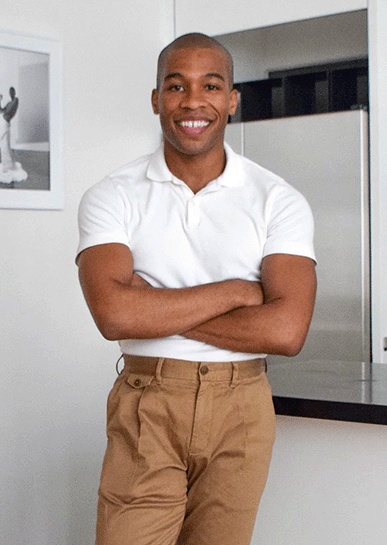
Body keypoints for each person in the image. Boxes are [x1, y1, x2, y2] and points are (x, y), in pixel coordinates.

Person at [77, 33, 317, 545]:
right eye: (176, 85)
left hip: (242, 408)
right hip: (148, 402)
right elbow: (115, 317)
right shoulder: (111, 196)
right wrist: (237, 290)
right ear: (156, 99)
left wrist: (155, 302)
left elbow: (287, 329)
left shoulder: (278, 200)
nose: (193, 102)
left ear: (231, 100)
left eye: (211, 85)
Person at [0, 87, 27, 183]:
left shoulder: (15, 100)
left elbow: (7, 112)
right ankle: (6, 163)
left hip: (5, 123)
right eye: (10, 91)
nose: (11, 93)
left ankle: (8, 165)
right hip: (3, 122)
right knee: (3, 144)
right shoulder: (9, 102)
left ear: (14, 92)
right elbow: (2, 110)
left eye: (12, 91)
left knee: (4, 145)